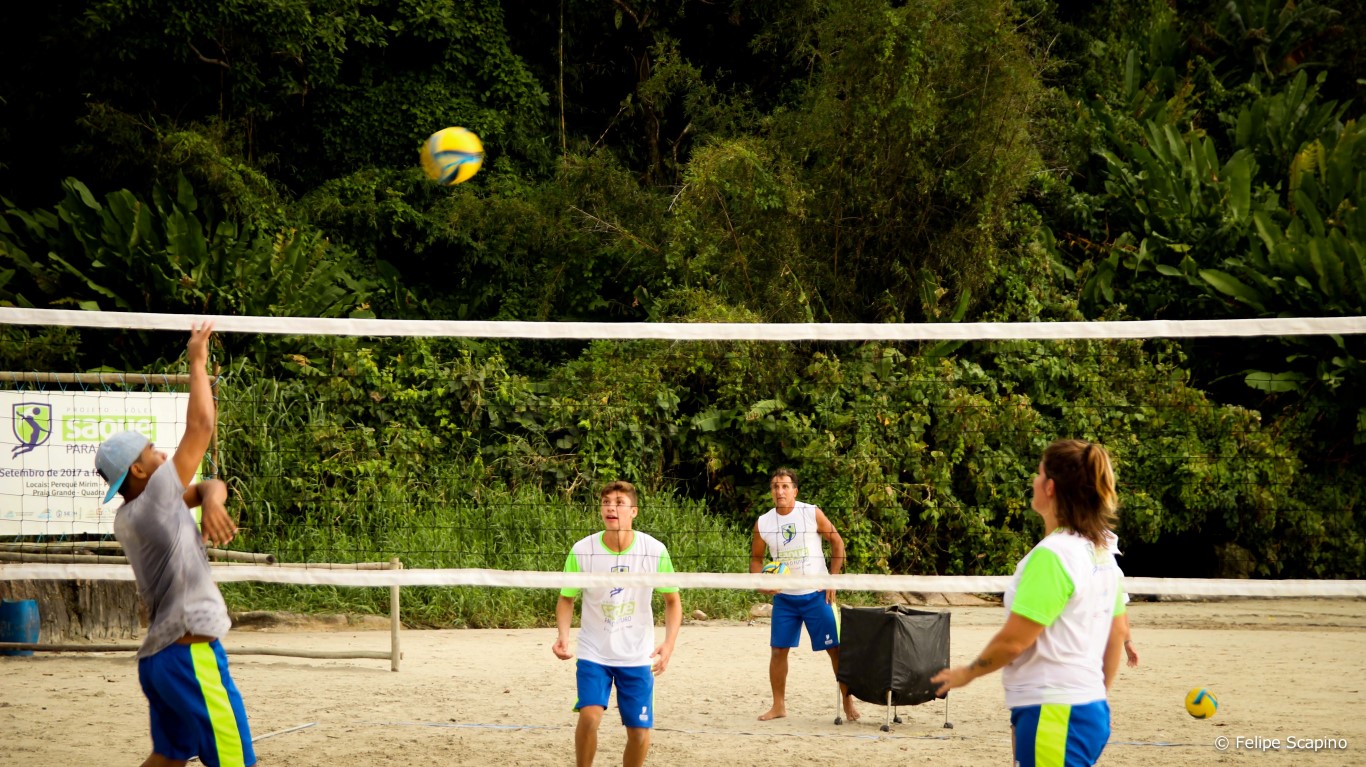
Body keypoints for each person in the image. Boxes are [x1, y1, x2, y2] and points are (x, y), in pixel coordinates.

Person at [95, 322, 257, 767]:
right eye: (152, 451)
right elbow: (201, 426)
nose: (163, 455)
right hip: (190, 657)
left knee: (167, 759)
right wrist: (197, 360)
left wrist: (213, 501)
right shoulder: (155, 500)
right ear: (138, 471)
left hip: (159, 663)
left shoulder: (131, 515)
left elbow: (208, 485)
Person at [931, 439, 1128, 767]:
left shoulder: (1054, 555)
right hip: (1086, 708)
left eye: (1038, 474)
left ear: (1050, 487)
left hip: (1056, 709)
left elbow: (1014, 641)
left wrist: (968, 672)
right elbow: (1118, 633)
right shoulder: (1101, 553)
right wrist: (1093, 694)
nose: (1034, 481)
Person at [552, 481, 682, 767]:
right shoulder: (583, 550)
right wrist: (563, 636)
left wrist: (669, 644)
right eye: (606, 502)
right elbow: (566, 597)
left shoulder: (654, 550)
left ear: (633, 511)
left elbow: (673, 601)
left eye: (619, 502)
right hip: (594, 651)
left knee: (638, 732)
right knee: (590, 717)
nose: (611, 507)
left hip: (636, 654)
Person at [751, 468, 859, 722]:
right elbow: (756, 560)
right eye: (775, 487)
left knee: (835, 650)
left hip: (816, 594)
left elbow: (838, 542)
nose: (780, 491)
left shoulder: (810, 513)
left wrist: (832, 579)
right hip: (785, 598)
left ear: (795, 491)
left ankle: (848, 702)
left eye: (785, 486)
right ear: (771, 492)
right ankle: (778, 706)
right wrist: (762, 583)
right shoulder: (763, 522)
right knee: (778, 651)